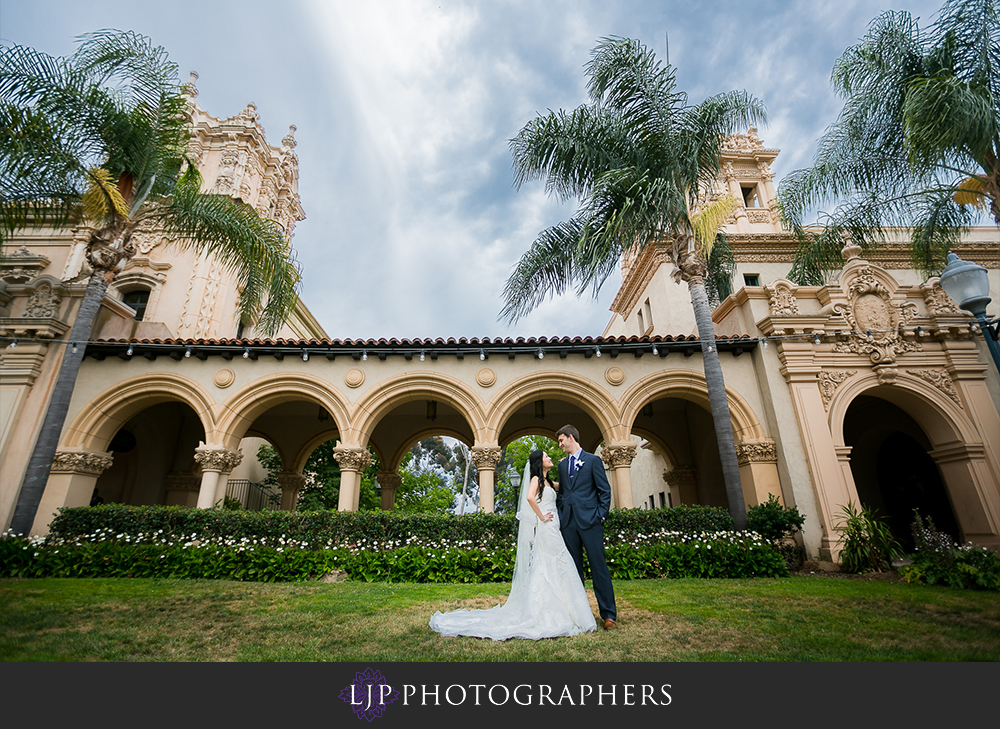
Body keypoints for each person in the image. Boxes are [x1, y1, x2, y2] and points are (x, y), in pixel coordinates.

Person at [428, 449, 596, 640]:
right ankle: (553, 609)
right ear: (540, 463)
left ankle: (565, 608)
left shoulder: (548, 482)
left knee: (555, 563)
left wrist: (567, 464)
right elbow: (530, 498)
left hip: (554, 527)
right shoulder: (535, 480)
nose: (550, 458)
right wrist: (541, 517)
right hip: (547, 528)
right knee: (557, 560)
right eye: (546, 457)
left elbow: (566, 485)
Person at [555, 424, 617, 629]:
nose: (560, 444)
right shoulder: (562, 466)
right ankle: (579, 614)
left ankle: (608, 615)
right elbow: (563, 493)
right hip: (569, 523)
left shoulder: (593, 461)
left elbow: (604, 491)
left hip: (591, 521)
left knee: (598, 567)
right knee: (573, 571)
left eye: (562, 440)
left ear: (571, 438)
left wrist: (600, 515)